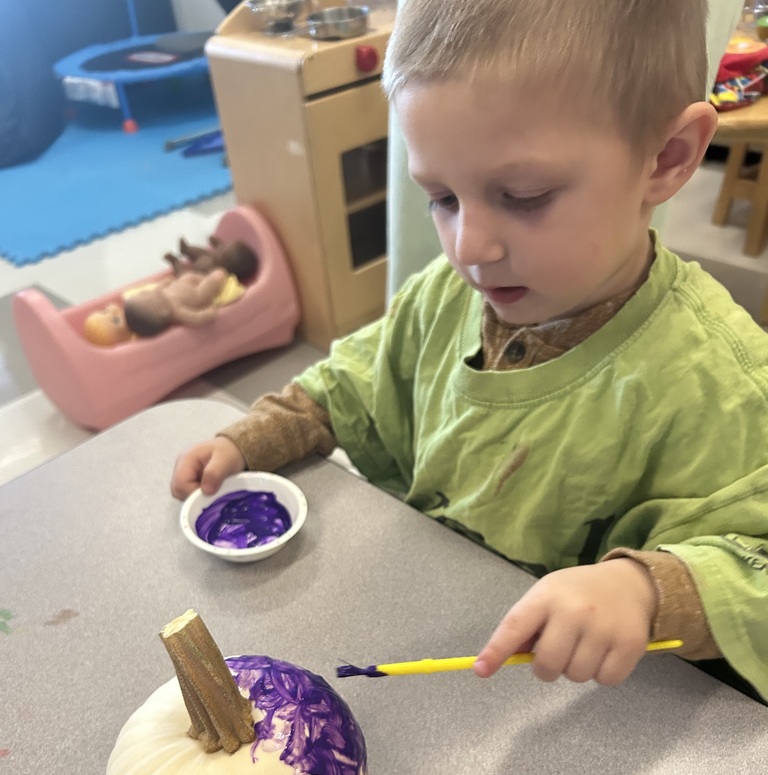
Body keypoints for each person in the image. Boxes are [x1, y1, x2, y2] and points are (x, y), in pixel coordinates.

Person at [172, 0, 768, 700]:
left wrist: (646, 590)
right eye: (442, 197)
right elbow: (359, 378)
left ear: (665, 159)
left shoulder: (722, 384)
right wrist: (257, 436)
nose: (468, 248)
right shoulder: (445, 295)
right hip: (427, 638)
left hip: (571, 707)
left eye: (523, 195)